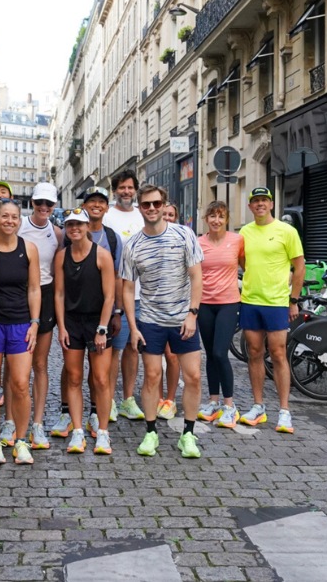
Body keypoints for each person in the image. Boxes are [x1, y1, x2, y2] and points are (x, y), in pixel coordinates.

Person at [122, 184, 205, 459]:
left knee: (192, 376)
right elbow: (128, 288)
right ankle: (150, 433)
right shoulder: (132, 245)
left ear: (163, 204)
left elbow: (196, 276)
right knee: (152, 377)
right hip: (150, 320)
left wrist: (192, 314)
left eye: (157, 203)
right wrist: (133, 328)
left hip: (183, 318)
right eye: (146, 204)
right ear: (139, 207)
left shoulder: (184, 235)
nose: (152, 209)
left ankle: (188, 435)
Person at [238, 186, 305, 434]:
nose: (260, 204)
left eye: (264, 200)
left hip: (277, 302)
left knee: (278, 354)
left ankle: (285, 411)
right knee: (254, 352)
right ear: (250, 206)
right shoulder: (244, 232)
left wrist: (293, 299)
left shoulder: (287, 231)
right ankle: (258, 406)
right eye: (255, 201)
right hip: (251, 300)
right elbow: (243, 262)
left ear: (272, 204)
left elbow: (299, 267)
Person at [54, 208, 116, 455]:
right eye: (70, 225)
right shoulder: (62, 256)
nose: (75, 229)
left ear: (88, 226)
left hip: (97, 323)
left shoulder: (102, 256)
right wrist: (61, 326)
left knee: (101, 378)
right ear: (66, 229)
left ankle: (102, 432)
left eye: (79, 224)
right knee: (74, 376)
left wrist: (102, 328)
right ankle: (78, 430)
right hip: (71, 322)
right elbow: (59, 293)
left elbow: (110, 296)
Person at [0, 199, 41, 465]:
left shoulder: (28, 248)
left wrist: (35, 322)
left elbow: (34, 288)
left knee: (20, 384)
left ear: (20, 220)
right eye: (4, 216)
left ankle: (20, 440)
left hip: (20, 323)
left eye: (14, 217)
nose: (9, 220)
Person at [19, 182, 63, 450]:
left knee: (40, 363)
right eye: (39, 203)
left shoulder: (57, 233)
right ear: (32, 203)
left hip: (44, 295)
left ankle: (37, 423)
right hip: (16, 295)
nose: (44, 208)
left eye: (49, 204)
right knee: (13, 363)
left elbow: (57, 271)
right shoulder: (19, 226)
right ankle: (12, 421)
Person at [76, 187, 122, 438]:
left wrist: (117, 312)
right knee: (73, 371)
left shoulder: (113, 238)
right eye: (91, 201)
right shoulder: (72, 233)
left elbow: (117, 278)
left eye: (100, 202)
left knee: (100, 372)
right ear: (84, 207)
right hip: (75, 315)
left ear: (106, 208)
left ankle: (97, 414)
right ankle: (68, 413)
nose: (96, 205)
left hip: (101, 314)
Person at [195, 202, 243, 429]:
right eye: (212, 216)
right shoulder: (198, 243)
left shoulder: (237, 241)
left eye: (220, 216)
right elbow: (193, 274)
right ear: (206, 219)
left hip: (228, 303)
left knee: (220, 352)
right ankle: (213, 401)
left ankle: (229, 406)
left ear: (227, 219)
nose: (216, 220)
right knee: (210, 355)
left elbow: (246, 266)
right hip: (204, 304)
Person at [103, 171, 145, 423]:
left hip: (142, 294)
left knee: (134, 348)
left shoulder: (143, 215)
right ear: (115, 190)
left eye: (130, 188)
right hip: (117, 295)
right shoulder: (107, 216)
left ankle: (128, 399)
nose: (126, 192)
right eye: (122, 188)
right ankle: (107, 400)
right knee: (113, 350)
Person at [158, 199, 182, 421]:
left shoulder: (183, 240)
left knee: (172, 355)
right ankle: (157, 398)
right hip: (153, 307)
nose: (167, 218)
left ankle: (171, 399)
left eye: (171, 215)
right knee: (155, 357)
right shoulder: (149, 240)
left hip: (176, 307)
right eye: (164, 214)